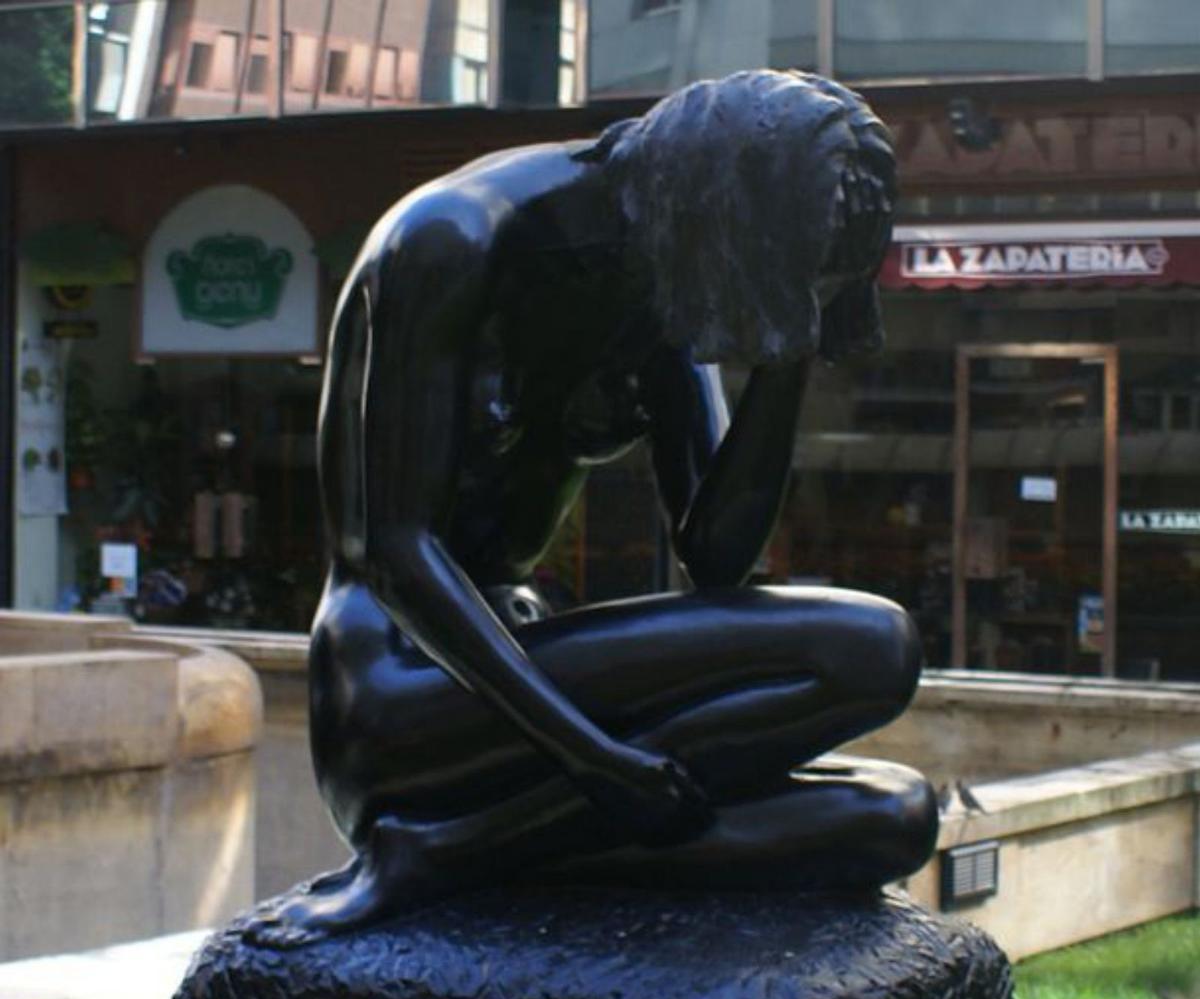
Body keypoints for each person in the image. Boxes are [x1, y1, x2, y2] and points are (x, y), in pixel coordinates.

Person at [247, 70, 937, 947]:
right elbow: (395, 552)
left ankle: (461, 850)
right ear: (730, 217)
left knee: (894, 817)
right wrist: (592, 758)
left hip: (534, 700)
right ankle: (476, 835)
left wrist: (786, 346)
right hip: (400, 691)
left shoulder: (665, 281)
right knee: (876, 647)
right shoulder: (454, 240)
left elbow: (718, 559)